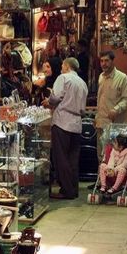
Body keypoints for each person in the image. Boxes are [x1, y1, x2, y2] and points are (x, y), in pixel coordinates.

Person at [43, 58, 88, 199]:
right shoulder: (82, 83)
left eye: (62, 65)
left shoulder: (63, 78)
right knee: (73, 158)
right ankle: (73, 189)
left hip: (63, 121)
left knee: (61, 157)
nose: (61, 67)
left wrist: (48, 101)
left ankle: (66, 190)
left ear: (67, 66)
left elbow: (55, 97)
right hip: (76, 123)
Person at [95, 51, 127, 141]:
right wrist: (97, 117)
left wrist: (116, 109)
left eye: (107, 61)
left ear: (112, 61)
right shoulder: (101, 77)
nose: (104, 64)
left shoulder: (122, 78)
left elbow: (126, 100)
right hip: (101, 122)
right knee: (102, 152)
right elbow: (100, 99)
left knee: (114, 152)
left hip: (115, 124)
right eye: (101, 61)